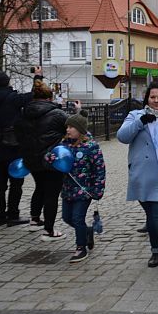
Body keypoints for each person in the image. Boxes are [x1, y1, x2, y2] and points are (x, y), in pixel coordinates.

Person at [117, 82, 158, 273]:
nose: (156, 101)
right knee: (152, 217)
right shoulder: (135, 116)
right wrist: (140, 122)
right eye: (152, 97)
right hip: (143, 176)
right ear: (147, 99)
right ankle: (156, 251)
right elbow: (122, 136)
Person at [46, 110, 106, 262]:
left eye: (71, 127)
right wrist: (49, 158)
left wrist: (98, 189)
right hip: (67, 189)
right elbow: (55, 163)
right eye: (67, 127)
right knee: (67, 218)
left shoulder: (91, 146)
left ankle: (81, 248)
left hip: (84, 190)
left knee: (78, 218)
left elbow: (99, 168)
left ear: (80, 129)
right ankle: (87, 232)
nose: (67, 130)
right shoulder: (64, 145)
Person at [15, 79, 69, 240]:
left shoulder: (23, 113)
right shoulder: (57, 113)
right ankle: (49, 230)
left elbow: (17, 134)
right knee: (51, 193)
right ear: (49, 97)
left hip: (31, 159)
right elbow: (73, 128)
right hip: (52, 159)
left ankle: (34, 219)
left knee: (39, 187)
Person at [0, 69, 42, 227]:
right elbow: (35, 94)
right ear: (8, 82)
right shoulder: (13, 99)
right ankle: (12, 215)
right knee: (16, 182)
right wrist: (37, 76)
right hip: (13, 147)